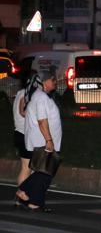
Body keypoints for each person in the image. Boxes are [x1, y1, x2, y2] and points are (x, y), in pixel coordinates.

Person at [18, 69, 61, 211]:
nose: (55, 82)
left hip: (42, 141)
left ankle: (31, 200)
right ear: (46, 82)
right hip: (43, 142)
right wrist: (49, 140)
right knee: (45, 173)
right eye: (53, 80)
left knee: (43, 172)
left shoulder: (40, 96)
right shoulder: (41, 97)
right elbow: (42, 121)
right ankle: (29, 197)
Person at [12, 72, 34, 206]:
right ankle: (21, 194)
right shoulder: (25, 94)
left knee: (28, 167)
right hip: (23, 134)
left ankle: (23, 194)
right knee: (26, 168)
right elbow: (23, 112)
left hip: (21, 134)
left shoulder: (21, 93)